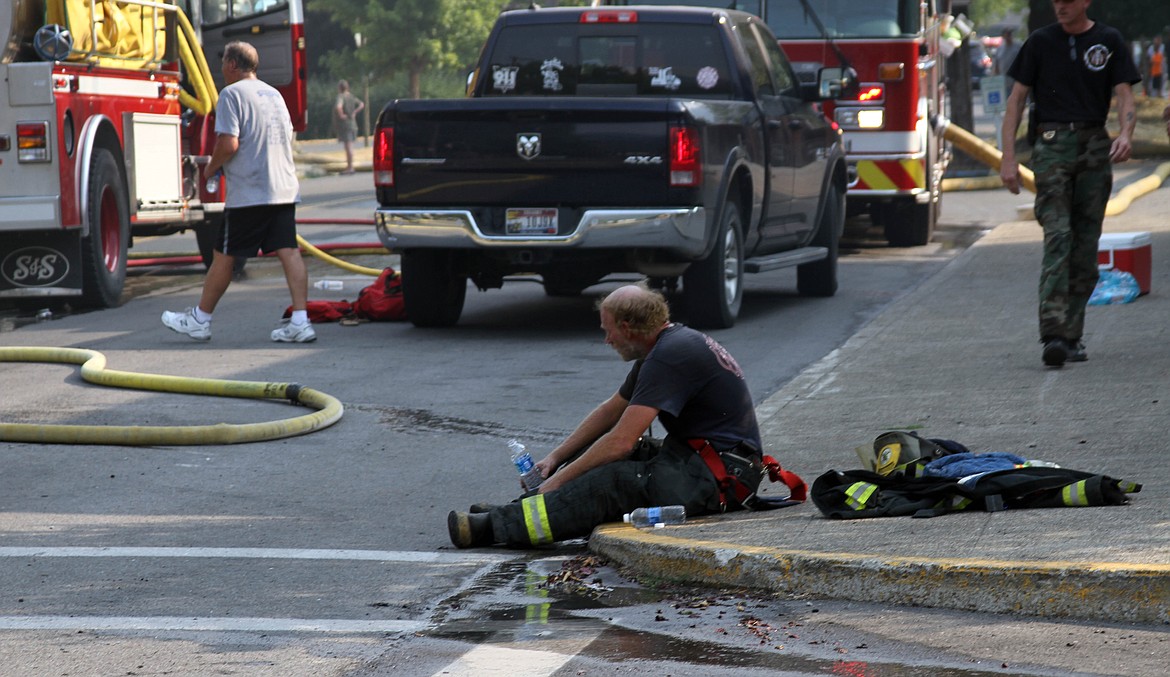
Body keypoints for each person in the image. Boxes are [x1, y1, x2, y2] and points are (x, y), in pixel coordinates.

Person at [448, 284, 765, 548]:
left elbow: (621, 444)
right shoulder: (666, 346)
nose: (607, 340)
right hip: (706, 461)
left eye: (608, 330)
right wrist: (555, 459)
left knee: (612, 481)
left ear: (626, 327)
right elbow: (610, 411)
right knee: (599, 455)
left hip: (721, 478)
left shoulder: (668, 357)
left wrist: (557, 482)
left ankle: (492, 528)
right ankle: (519, 511)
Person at [1000, 0, 1140, 367]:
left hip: (1095, 146)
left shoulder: (1108, 40)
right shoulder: (1039, 42)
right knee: (1058, 235)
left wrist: (1125, 133)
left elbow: (1125, 93)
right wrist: (1008, 157)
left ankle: (1072, 335)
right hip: (1051, 146)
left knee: (1084, 244)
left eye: (1067, 0)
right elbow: (1016, 101)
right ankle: (1053, 334)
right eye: (1055, 0)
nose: (1060, 6)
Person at [161, 41, 314, 343]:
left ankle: (200, 319)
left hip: (251, 193)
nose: (220, 68)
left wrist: (210, 167)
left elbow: (229, 143)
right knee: (289, 252)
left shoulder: (230, 94)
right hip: (282, 189)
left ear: (232, 64)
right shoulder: (275, 95)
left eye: (223, 62)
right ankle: (301, 321)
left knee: (224, 257)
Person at [333, 79, 364, 175]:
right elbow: (361, 104)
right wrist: (354, 112)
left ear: (339, 88)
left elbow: (339, 106)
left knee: (348, 146)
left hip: (345, 124)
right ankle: (350, 166)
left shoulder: (341, 97)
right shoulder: (351, 96)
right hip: (353, 123)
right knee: (350, 145)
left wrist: (341, 115)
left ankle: (350, 167)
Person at [995, 28, 1022, 94]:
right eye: (1006, 35)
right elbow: (997, 64)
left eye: (1009, 35)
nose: (1008, 37)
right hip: (1004, 80)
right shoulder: (1000, 49)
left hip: (1016, 80)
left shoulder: (1018, 46)